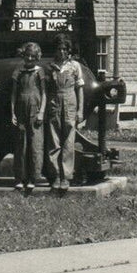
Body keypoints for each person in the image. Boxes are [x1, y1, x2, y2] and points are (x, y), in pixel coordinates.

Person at [9, 42, 50, 196]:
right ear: (24, 56)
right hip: (20, 110)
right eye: (27, 56)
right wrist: (12, 112)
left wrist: (41, 113)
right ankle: (20, 178)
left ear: (37, 57)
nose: (30, 59)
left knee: (35, 145)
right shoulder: (18, 72)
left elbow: (44, 93)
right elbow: (13, 94)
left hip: (35, 111)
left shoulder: (40, 72)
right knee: (21, 146)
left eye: (33, 56)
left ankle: (34, 178)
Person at [47, 34, 84, 194]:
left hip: (70, 102)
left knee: (68, 141)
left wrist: (80, 110)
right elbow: (46, 90)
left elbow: (79, 89)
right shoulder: (50, 66)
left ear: (69, 50)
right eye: (59, 49)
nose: (61, 52)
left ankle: (66, 177)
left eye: (64, 49)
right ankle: (55, 175)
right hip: (54, 103)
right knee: (54, 141)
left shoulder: (75, 66)